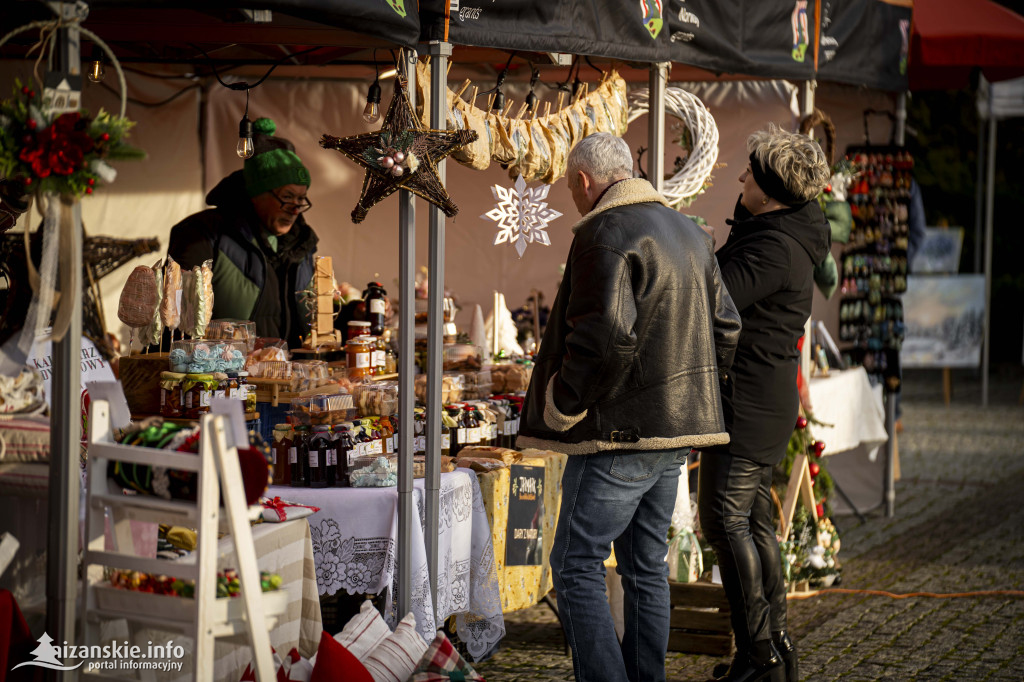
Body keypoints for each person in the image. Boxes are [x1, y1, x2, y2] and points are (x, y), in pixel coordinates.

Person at [516, 132, 741, 682]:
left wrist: (561, 405)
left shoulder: (603, 231)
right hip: (674, 433)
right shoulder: (690, 231)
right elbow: (727, 329)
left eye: (571, 187)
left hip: (620, 434)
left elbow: (605, 337)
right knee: (644, 569)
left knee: (574, 566)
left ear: (586, 181)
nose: (573, 198)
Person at [699, 123, 832, 682]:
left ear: (772, 190)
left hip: (748, 402)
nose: (739, 177)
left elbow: (715, 297)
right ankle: (771, 649)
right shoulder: (780, 229)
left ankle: (761, 655)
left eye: (749, 174)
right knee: (750, 522)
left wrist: (696, 254)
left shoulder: (774, 247)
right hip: (760, 397)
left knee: (723, 521)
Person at [167, 117, 318, 349]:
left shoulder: (303, 242)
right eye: (287, 197)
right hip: (223, 377)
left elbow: (314, 314)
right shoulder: (202, 234)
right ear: (257, 193)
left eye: (301, 198)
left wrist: (353, 310)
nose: (296, 209)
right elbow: (178, 316)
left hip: (287, 376)